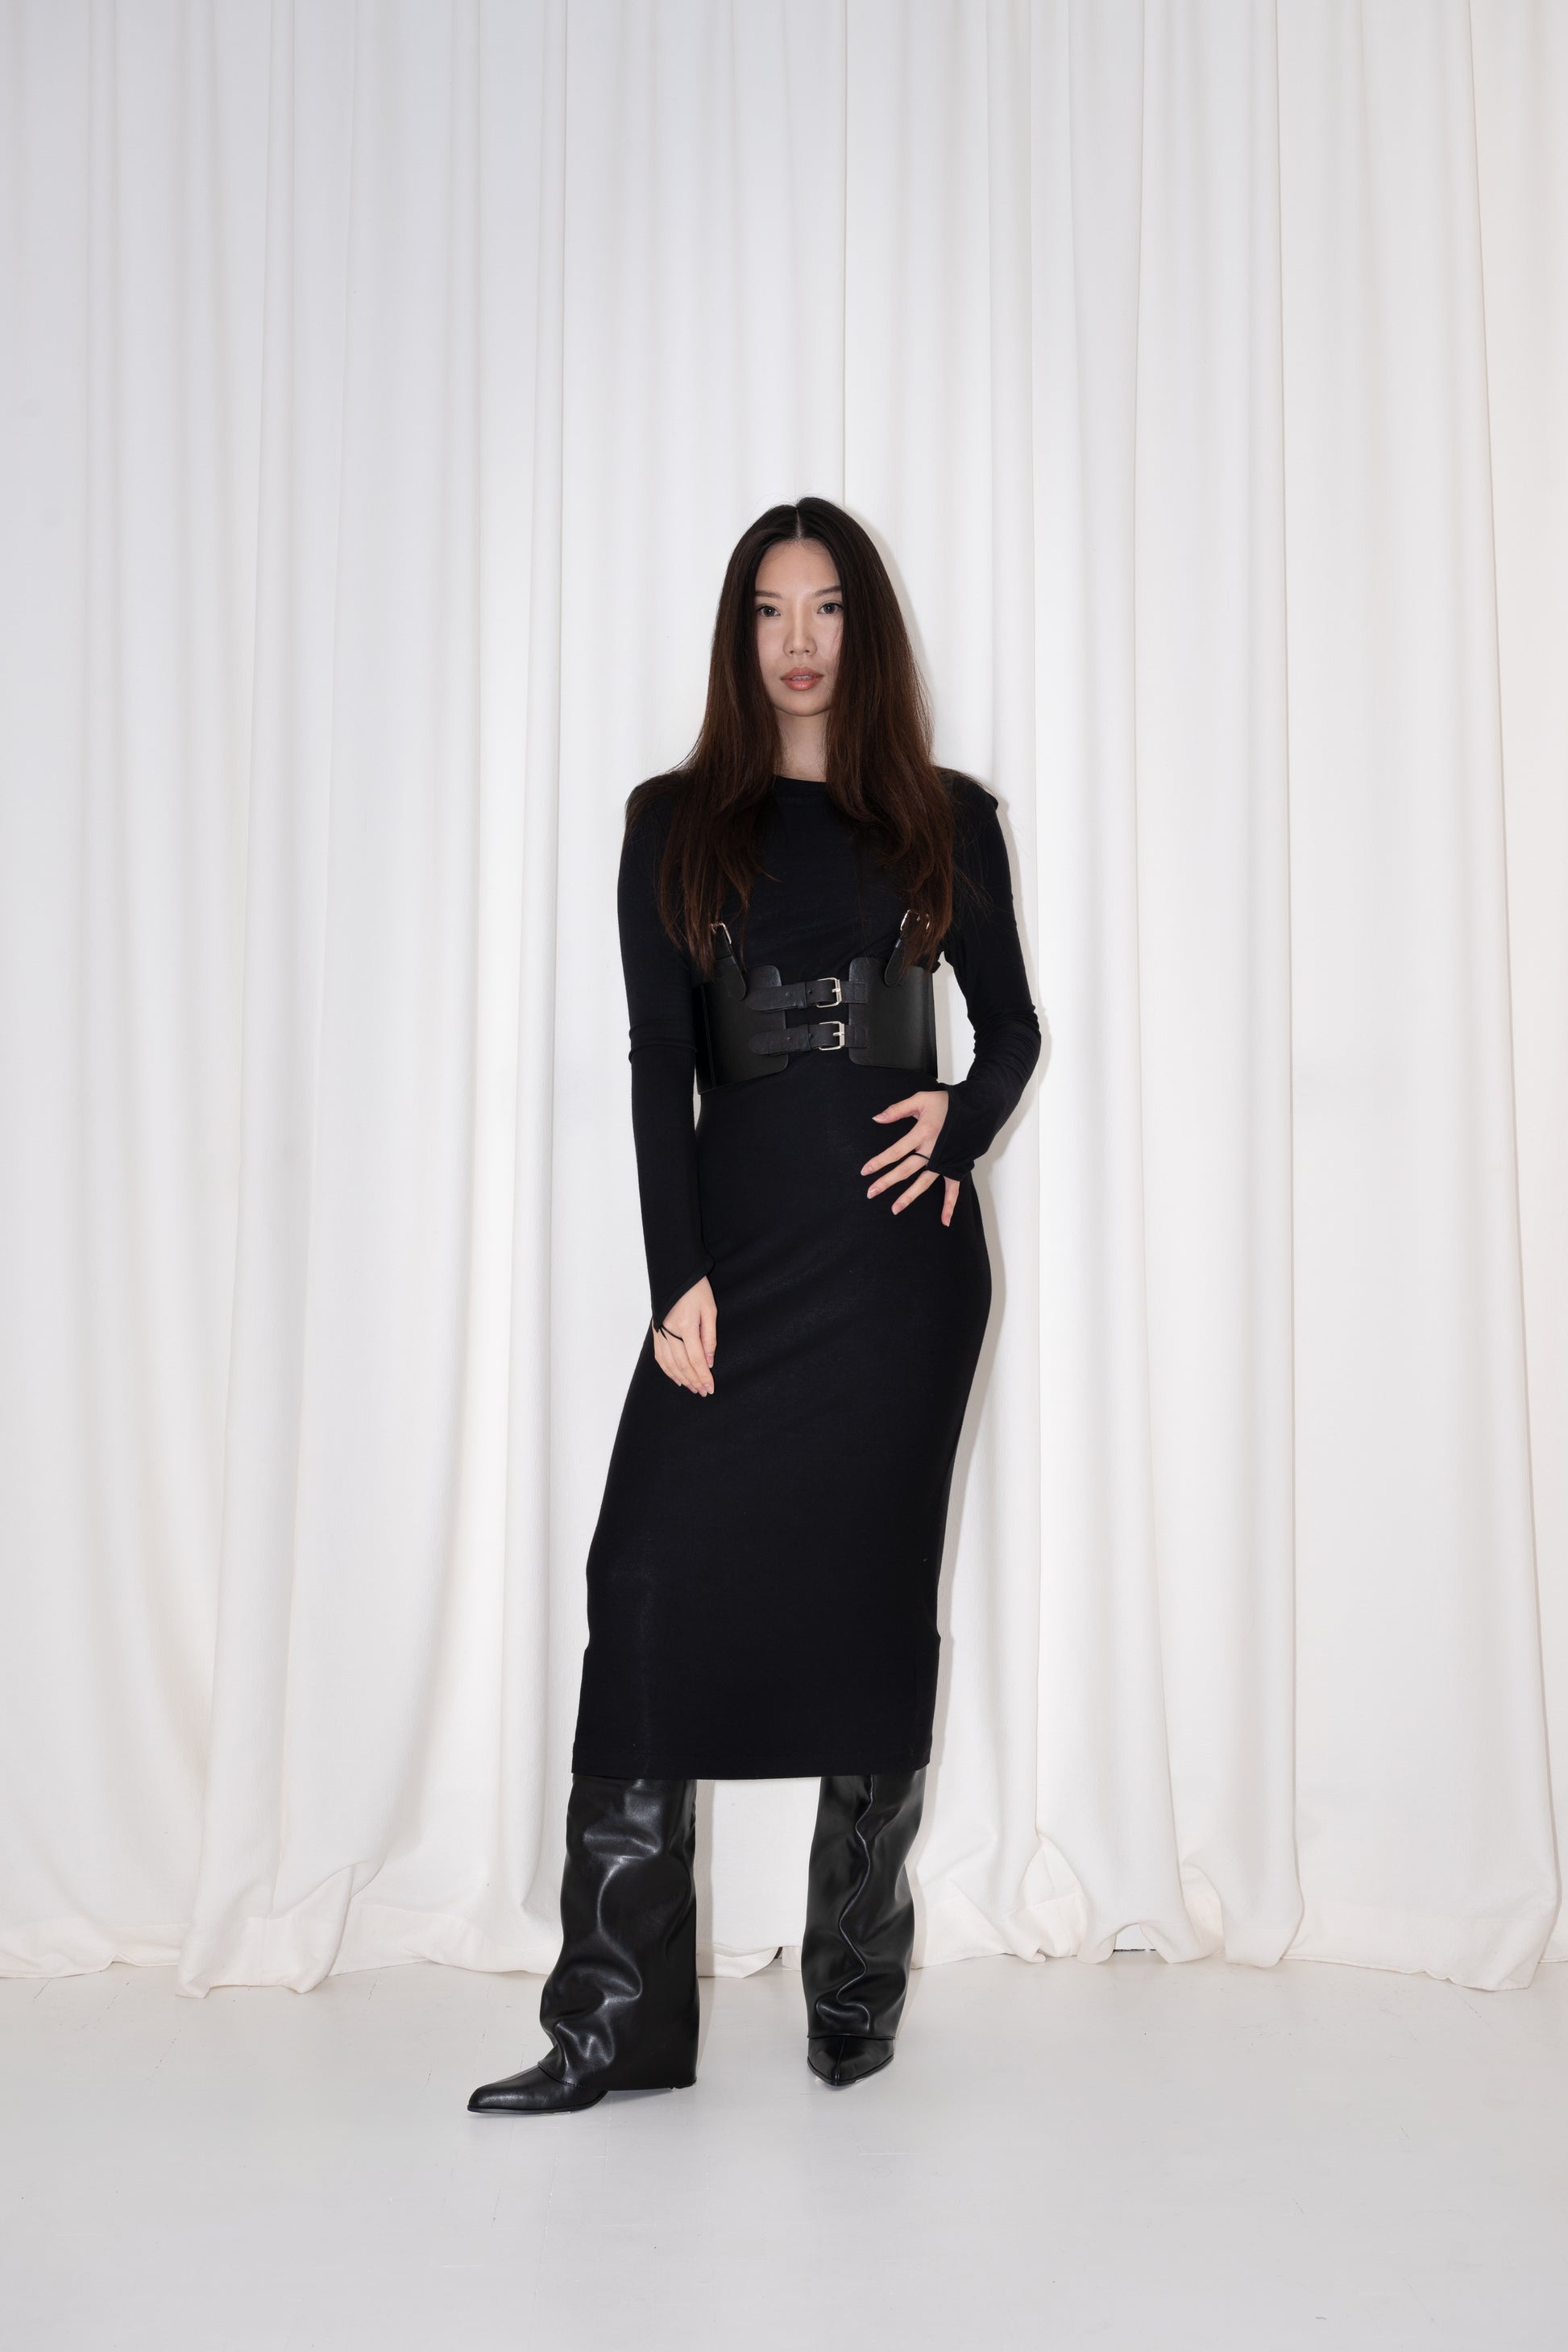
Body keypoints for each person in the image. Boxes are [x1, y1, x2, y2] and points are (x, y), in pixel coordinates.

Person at [468, 496, 1041, 2114]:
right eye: (770, 611)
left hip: (901, 1269)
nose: (799, 640)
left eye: (827, 608)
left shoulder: (945, 815)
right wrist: (677, 1281)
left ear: (866, 631)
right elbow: (660, 1061)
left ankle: (852, 1985)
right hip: (743, 1253)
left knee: (872, 1592)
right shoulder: (671, 820)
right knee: (642, 1573)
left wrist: (961, 1123)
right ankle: (615, 2021)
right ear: (739, 637)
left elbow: (1009, 1028)